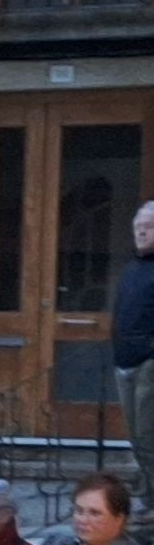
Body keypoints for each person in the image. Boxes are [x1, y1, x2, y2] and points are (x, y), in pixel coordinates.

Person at [120, 200, 154, 499]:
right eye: (138, 227)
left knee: (148, 435)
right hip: (124, 361)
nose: (141, 232)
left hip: (148, 363)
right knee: (135, 437)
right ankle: (146, 493)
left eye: (149, 227)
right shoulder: (132, 269)